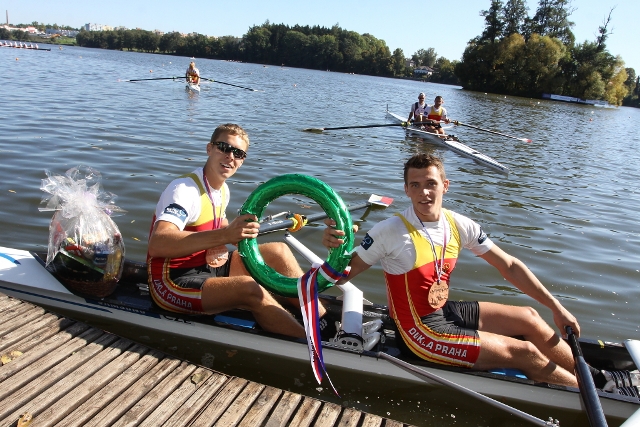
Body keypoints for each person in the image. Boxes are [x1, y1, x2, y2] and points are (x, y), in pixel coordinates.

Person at [323, 153, 582, 387]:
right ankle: (591, 397)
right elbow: (343, 275)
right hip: (417, 332)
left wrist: (557, 307)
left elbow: (510, 266)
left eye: (431, 183)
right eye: (415, 185)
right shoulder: (389, 231)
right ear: (406, 190)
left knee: (529, 317)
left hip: (443, 311)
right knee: (525, 353)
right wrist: (335, 247)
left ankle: (592, 377)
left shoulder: (459, 224)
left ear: (445, 186)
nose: (424, 192)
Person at [147, 123, 308, 338]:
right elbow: (158, 243)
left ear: (242, 161)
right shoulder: (184, 190)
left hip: (209, 266)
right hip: (171, 281)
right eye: (224, 147)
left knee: (279, 251)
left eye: (238, 153)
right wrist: (224, 236)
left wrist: (237, 232)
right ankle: (312, 348)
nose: (230, 156)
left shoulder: (223, 189)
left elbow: (221, 226)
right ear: (209, 148)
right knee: (249, 288)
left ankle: (321, 322)